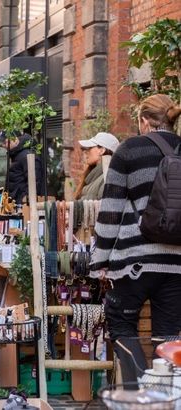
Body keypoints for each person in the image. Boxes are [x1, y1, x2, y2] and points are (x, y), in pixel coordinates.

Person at [90, 94, 181, 383]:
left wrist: (100, 261)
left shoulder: (128, 150)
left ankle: (138, 393)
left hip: (135, 263)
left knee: (121, 325)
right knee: (166, 338)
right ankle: (164, 397)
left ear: (144, 121)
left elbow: (111, 211)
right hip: (177, 265)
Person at [75, 132, 120, 200]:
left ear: (101, 150)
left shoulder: (108, 179)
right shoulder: (93, 177)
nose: (85, 152)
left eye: (90, 147)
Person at [7, 133, 44, 203]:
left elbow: (35, 181)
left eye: (7, 142)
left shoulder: (26, 155)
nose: (5, 145)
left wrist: (24, 200)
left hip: (23, 202)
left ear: (15, 140)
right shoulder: (18, 155)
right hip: (19, 200)